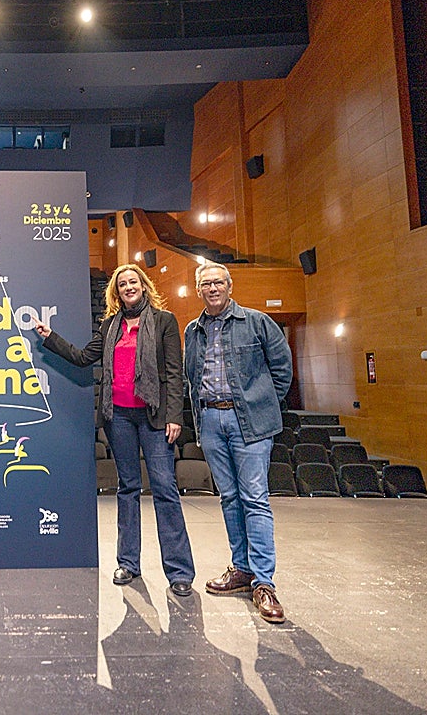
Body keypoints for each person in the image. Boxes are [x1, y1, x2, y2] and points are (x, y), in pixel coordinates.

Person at [34, 263, 195, 597]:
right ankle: (128, 563)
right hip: (118, 416)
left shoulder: (164, 321)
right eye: (122, 284)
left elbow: (174, 373)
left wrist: (174, 416)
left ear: (144, 286)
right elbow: (81, 358)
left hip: (153, 417)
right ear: (116, 292)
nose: (128, 287)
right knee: (128, 488)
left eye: (133, 281)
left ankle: (179, 571)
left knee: (165, 489)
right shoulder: (110, 326)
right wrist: (50, 338)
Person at [183, 261, 292, 623]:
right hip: (211, 420)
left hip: (250, 422)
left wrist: (261, 405)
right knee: (229, 498)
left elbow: (282, 370)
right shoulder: (193, 331)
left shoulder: (258, 322)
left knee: (255, 499)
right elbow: (190, 376)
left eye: (218, 282)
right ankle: (241, 568)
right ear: (198, 290)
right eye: (205, 284)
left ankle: (264, 582)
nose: (212, 288)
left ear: (230, 286)